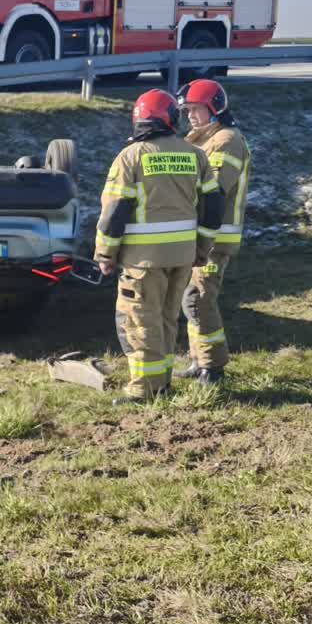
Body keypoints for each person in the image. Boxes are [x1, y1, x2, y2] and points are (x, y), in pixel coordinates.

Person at [93, 90, 225, 404]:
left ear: (138, 119)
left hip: (143, 260)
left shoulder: (131, 156)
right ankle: (162, 383)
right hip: (182, 256)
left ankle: (144, 390)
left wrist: (105, 254)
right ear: (172, 118)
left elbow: (114, 212)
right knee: (167, 319)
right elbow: (214, 206)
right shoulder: (194, 154)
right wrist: (202, 247)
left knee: (140, 321)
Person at [174, 80, 252, 385]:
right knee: (190, 297)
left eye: (196, 109)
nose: (191, 116)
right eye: (187, 110)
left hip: (215, 237)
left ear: (215, 108)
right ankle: (199, 360)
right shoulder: (201, 140)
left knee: (198, 299)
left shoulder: (226, 141)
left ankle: (214, 368)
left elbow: (214, 191)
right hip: (200, 234)